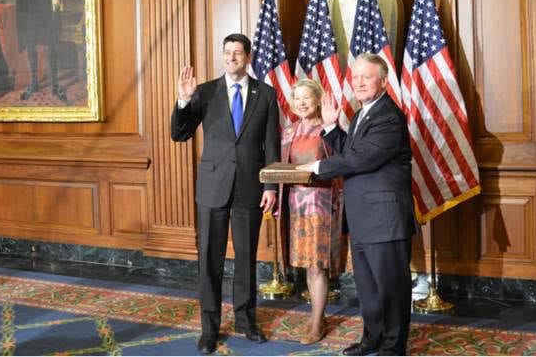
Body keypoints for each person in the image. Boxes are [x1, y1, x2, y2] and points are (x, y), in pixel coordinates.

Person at [298, 53, 415, 356]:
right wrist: (330, 128)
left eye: (367, 76)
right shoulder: (366, 112)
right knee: (368, 288)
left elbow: (362, 159)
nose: (359, 82)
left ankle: (392, 346)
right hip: (365, 218)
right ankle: (372, 339)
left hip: (385, 218)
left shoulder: (388, 115)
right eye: (356, 77)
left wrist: (319, 167)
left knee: (390, 288)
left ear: (384, 81)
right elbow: (355, 149)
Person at [171, 33, 280, 355]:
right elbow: (179, 134)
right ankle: (209, 329)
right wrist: (183, 101)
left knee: (246, 259)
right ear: (222, 57)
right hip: (213, 188)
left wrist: (272, 186)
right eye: (227, 52)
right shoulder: (204, 92)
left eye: (237, 53)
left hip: (250, 188)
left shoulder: (267, 95)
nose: (231, 58)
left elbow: (272, 145)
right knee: (209, 261)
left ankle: (246, 322)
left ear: (247, 57)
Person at [280, 79, 345, 345]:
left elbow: (342, 162)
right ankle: (318, 313)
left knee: (318, 267)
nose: (302, 103)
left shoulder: (328, 129)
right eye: (297, 99)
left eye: (307, 98)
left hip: (322, 206)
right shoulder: (288, 131)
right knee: (308, 266)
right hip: (295, 206)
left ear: (318, 99)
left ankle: (317, 322)